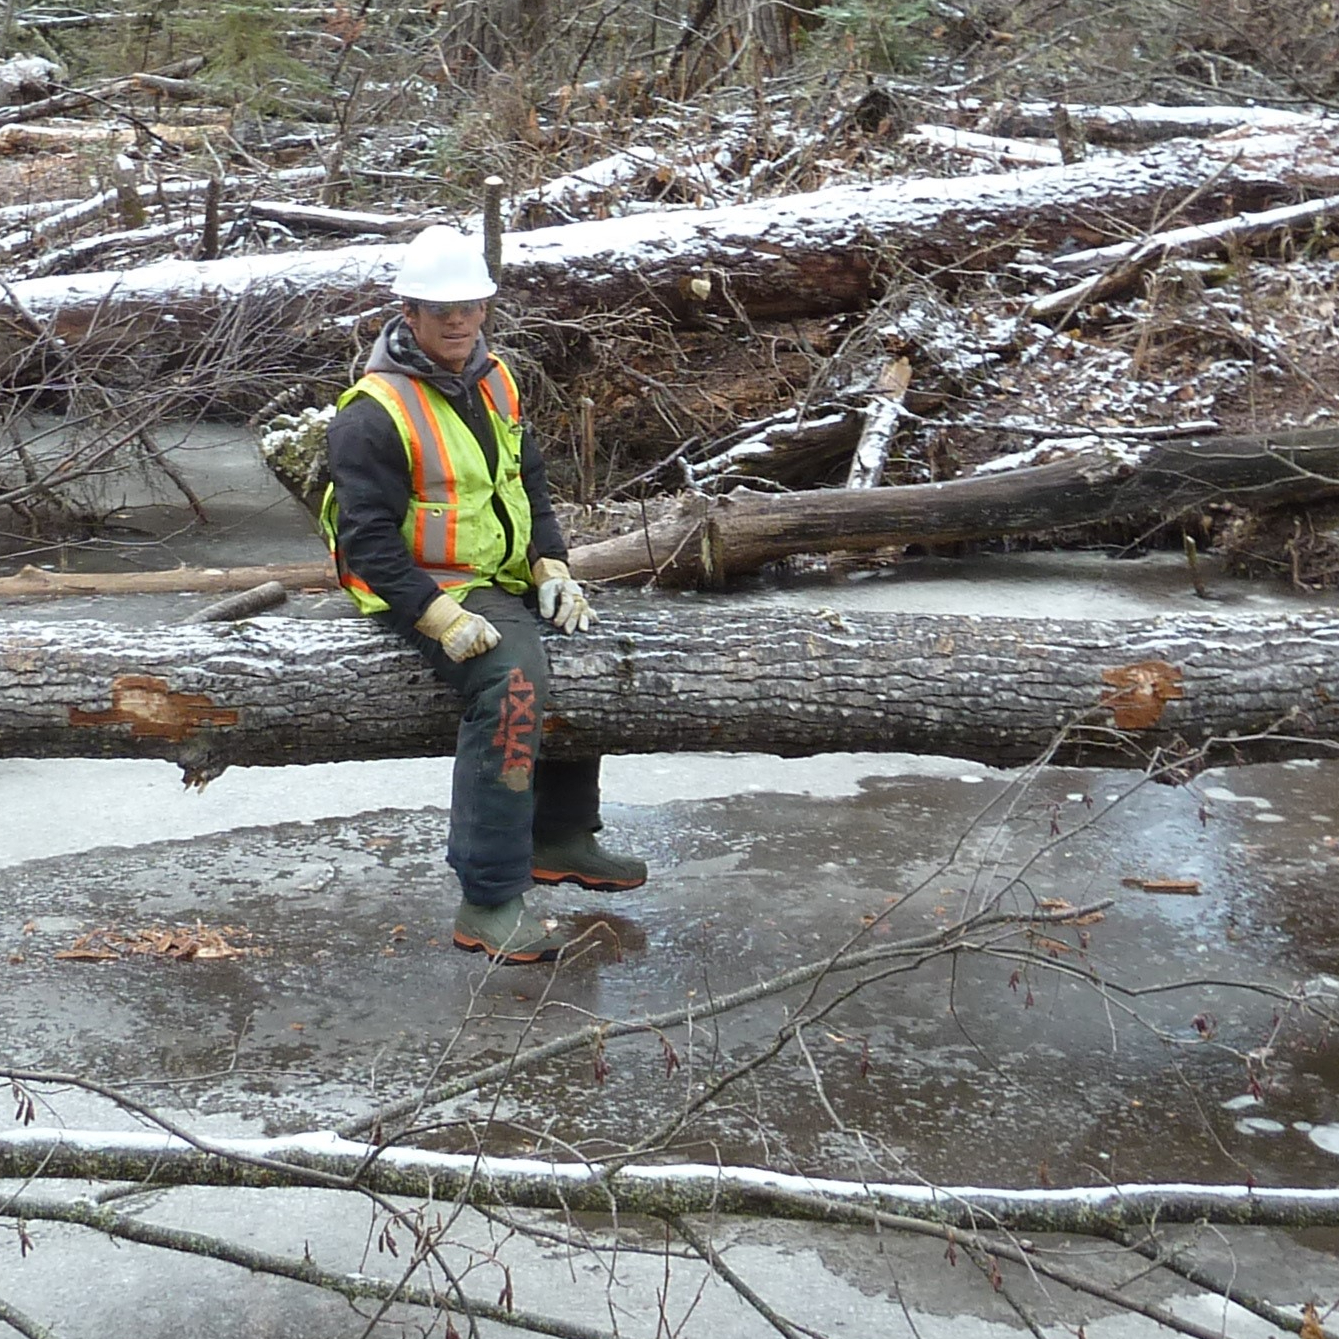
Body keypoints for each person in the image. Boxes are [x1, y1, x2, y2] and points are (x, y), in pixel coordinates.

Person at [320, 225, 647, 965]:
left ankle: (560, 834)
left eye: (471, 307)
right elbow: (368, 546)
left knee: (584, 649)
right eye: (444, 312)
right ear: (410, 312)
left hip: (501, 574)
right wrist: (437, 616)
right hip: (423, 585)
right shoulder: (372, 413)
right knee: (511, 680)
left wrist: (552, 566)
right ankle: (489, 895)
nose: (461, 323)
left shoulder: (495, 379)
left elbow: (525, 485)